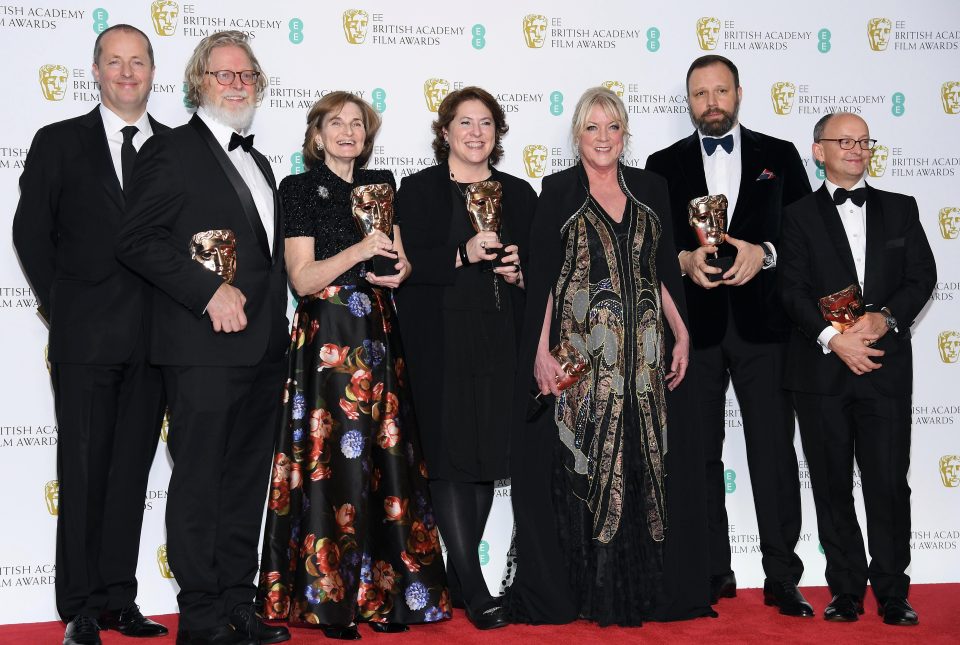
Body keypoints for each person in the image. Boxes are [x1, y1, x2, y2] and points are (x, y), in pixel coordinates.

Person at [505, 86, 714, 627]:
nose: (603, 137)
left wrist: (682, 333)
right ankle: (587, 591)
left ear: (625, 134)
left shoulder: (651, 187)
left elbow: (664, 270)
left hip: (644, 359)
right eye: (593, 127)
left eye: (613, 127)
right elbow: (545, 280)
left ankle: (642, 591)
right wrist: (540, 352)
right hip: (581, 360)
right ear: (577, 134)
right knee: (588, 466)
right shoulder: (556, 190)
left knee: (646, 465)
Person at [116, 31, 290, 645]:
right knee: (199, 482)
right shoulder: (168, 150)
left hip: (266, 348)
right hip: (200, 350)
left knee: (246, 480)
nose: (238, 84)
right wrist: (206, 290)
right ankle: (201, 616)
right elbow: (136, 241)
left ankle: (239, 603)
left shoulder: (261, 161)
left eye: (247, 75)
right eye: (224, 74)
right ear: (198, 83)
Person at [255, 92, 450, 640]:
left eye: (357, 124)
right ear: (316, 135)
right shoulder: (298, 188)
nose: (347, 132)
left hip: (380, 335)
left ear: (368, 135)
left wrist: (399, 266)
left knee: (384, 465)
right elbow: (303, 278)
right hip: (329, 343)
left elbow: (397, 260)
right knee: (331, 464)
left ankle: (383, 596)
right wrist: (362, 251)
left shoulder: (380, 185)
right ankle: (330, 600)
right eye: (335, 123)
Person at [12, 24, 168, 645]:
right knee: (81, 470)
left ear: (153, 71)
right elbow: (30, 234)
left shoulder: (177, 149)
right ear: (96, 72)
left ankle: (117, 600)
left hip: (157, 338)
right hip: (85, 339)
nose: (126, 73)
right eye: (114, 62)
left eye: (137, 62)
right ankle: (78, 607)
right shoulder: (57, 142)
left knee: (131, 472)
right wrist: (65, 310)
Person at [645, 55, 813, 616]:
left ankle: (783, 575)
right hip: (695, 328)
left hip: (766, 327)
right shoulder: (660, 164)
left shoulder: (780, 155)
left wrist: (761, 253)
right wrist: (684, 258)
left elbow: (803, 240)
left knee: (772, 452)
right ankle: (711, 569)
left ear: (739, 93)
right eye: (699, 93)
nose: (711, 102)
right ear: (688, 102)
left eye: (720, 90)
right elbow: (650, 249)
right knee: (698, 454)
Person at [779, 112, 936, 626]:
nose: (855, 148)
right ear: (818, 150)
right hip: (821, 374)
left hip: (886, 371)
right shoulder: (797, 215)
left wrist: (882, 318)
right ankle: (845, 589)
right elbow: (791, 291)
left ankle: (893, 591)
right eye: (843, 141)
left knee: (889, 482)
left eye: (864, 141)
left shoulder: (901, 209)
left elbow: (922, 277)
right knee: (829, 484)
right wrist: (833, 340)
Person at [393, 87, 533, 630]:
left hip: (501, 339)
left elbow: (545, 271)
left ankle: (457, 576)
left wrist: (520, 272)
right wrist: (461, 253)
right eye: (464, 122)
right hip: (440, 341)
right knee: (449, 455)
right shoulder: (419, 190)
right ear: (445, 131)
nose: (476, 133)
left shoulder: (519, 194)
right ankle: (472, 585)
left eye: (486, 124)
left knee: (484, 455)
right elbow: (407, 264)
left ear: (497, 133)